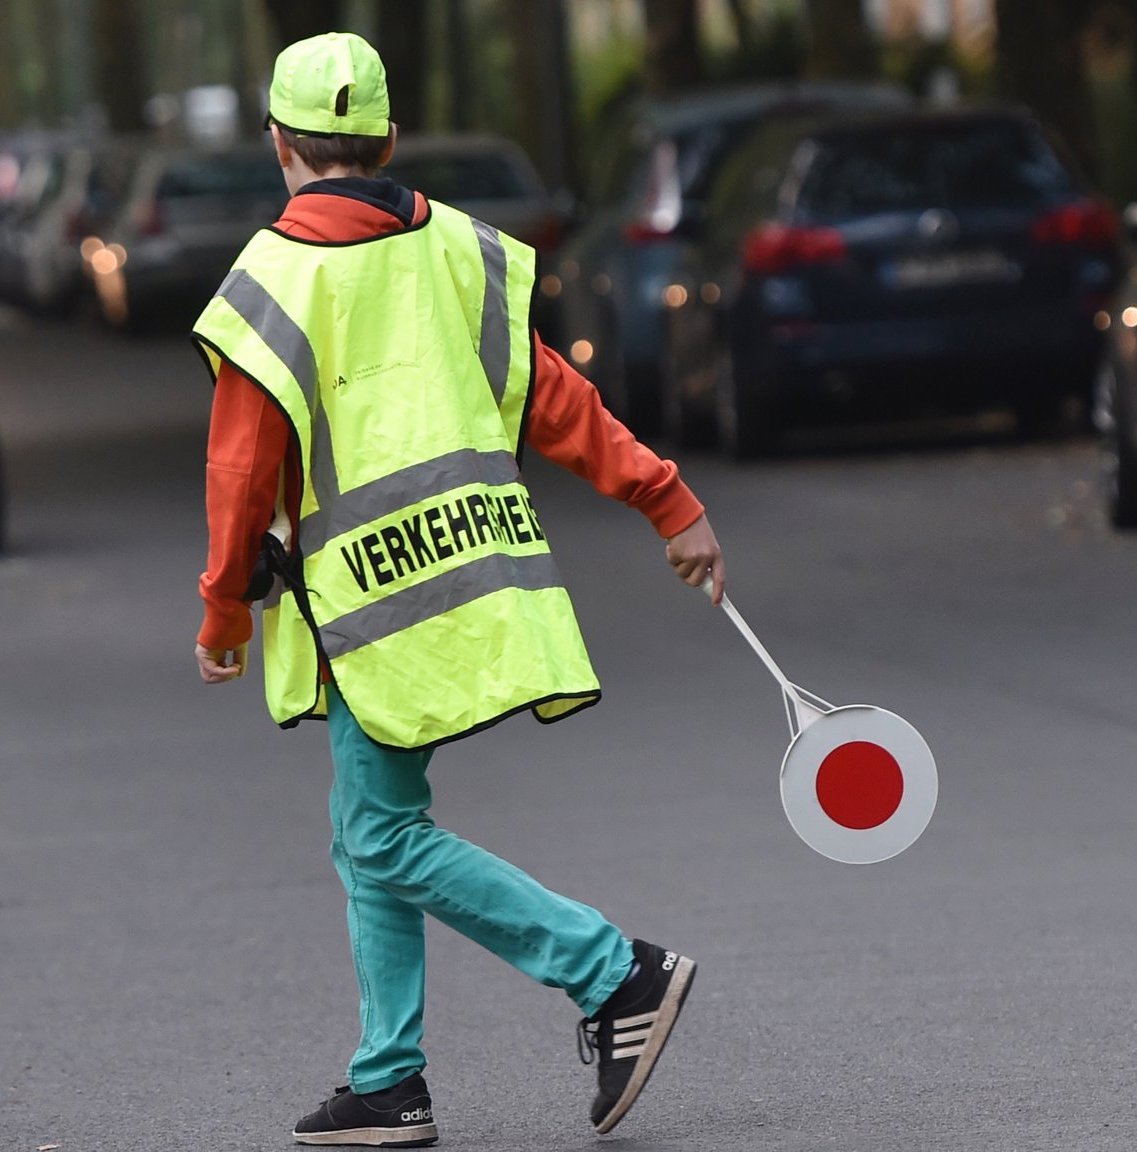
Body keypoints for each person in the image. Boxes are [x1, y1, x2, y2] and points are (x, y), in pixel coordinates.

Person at [191, 34, 725, 1147]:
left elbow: (240, 473)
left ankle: (613, 971)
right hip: (469, 576)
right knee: (372, 829)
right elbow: (554, 400)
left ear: (278, 146)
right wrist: (665, 500)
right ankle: (388, 1078)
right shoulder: (462, 253)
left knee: (378, 838)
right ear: (387, 138)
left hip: (361, 608)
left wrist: (222, 612)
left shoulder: (269, 282)